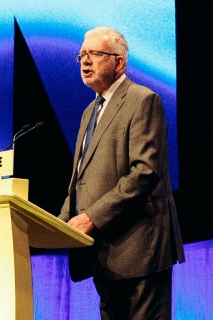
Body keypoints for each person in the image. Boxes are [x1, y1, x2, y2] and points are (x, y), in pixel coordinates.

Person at [59, 26, 184, 319]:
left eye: (95, 54)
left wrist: (92, 217)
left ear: (119, 63)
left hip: (140, 249)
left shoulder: (143, 100)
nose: (85, 61)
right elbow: (80, 179)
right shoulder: (89, 112)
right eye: (82, 55)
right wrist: (60, 224)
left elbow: (144, 172)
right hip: (104, 253)